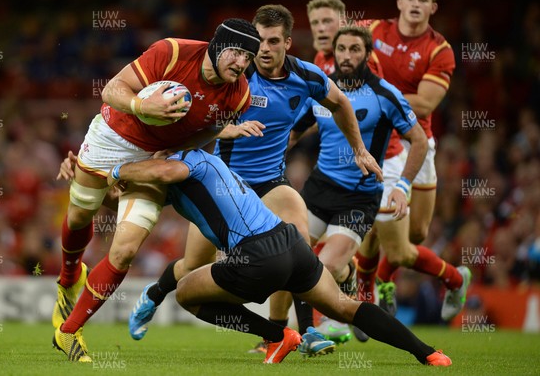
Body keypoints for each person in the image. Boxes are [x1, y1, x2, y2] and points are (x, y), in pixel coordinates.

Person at [125, 4, 382, 357]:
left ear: (287, 43)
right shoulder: (235, 76)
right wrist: (226, 129)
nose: (262, 48)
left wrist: (359, 150)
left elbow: (340, 104)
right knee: (192, 265)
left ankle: (298, 331)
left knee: (298, 245)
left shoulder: (305, 77)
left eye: (272, 41)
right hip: (225, 184)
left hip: (271, 182)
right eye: (258, 40)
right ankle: (153, 296)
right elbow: (202, 120)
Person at [52, 148, 451, 366]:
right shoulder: (201, 163)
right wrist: (88, 183)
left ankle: (279, 336)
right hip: (291, 244)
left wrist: (112, 169)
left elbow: (164, 173)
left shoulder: (184, 163)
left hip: (256, 256)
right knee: (346, 306)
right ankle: (428, 354)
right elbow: (126, 206)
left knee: (190, 294)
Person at [51, 18, 261, 352]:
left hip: (153, 158)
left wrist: (177, 151)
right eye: (236, 52)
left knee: (126, 250)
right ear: (218, 45)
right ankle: (68, 278)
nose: (242, 63)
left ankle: (68, 331)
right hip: (111, 139)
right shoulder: (172, 52)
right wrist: (142, 105)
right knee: (79, 216)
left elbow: (209, 129)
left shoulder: (239, 95)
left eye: (249, 57)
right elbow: (110, 91)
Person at [288, 26, 428, 343]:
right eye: (341, 49)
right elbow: (295, 132)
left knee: (323, 267)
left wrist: (403, 185)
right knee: (293, 257)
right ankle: (308, 334)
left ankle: (348, 274)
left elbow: (418, 140)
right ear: (332, 53)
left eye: (355, 49)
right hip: (318, 189)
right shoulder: (321, 90)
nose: (347, 56)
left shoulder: (385, 95)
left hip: (359, 198)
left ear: (367, 54)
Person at [355, 0, 470, 327]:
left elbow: (425, 103)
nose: (417, 4)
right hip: (378, 144)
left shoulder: (440, 50)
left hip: (417, 142)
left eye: (424, 0)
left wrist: (373, 94)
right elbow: (338, 53)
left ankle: (383, 279)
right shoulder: (372, 31)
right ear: (399, 3)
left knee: (416, 234)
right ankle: (367, 292)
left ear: (432, 7)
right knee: (382, 231)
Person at [306, 0, 346, 75]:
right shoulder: (319, 58)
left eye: (327, 21)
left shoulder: (359, 58)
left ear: (343, 23)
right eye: (315, 23)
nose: (320, 29)